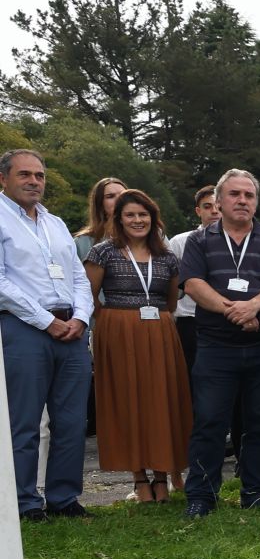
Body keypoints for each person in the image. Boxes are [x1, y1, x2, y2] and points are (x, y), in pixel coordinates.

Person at [179, 168, 260, 516]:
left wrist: (255, 305)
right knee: (209, 421)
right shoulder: (200, 240)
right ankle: (201, 495)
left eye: (248, 195)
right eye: (235, 194)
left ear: (256, 203)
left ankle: (259, 492)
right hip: (216, 347)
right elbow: (192, 283)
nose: (242, 200)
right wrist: (233, 310)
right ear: (218, 201)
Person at [1, 149, 94, 520]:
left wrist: (82, 318)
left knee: (72, 422)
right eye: (24, 174)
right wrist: (45, 320)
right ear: (4, 178)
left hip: (71, 331)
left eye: (39, 175)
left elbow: (78, 278)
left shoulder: (55, 223)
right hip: (24, 329)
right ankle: (23, 502)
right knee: (23, 422)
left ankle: (63, 497)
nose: (34, 181)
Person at [82, 189, 191, 502]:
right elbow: (88, 294)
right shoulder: (104, 252)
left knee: (162, 400)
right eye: (130, 214)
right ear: (118, 219)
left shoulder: (167, 256)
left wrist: (158, 321)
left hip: (160, 331)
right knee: (129, 400)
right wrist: (111, 322)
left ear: (153, 219)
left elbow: (171, 301)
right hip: (118, 331)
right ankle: (139, 477)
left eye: (143, 214)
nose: (137, 220)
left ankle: (162, 474)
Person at [168, 185, 220, 371]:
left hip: (224, 318)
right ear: (198, 211)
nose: (214, 211)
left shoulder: (238, 243)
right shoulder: (179, 242)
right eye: (207, 206)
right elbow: (168, 282)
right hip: (188, 320)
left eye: (218, 206)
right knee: (189, 374)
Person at [75, 177, 125, 261]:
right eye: (110, 196)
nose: (119, 199)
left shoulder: (143, 238)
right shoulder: (82, 243)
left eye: (123, 195)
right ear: (100, 204)